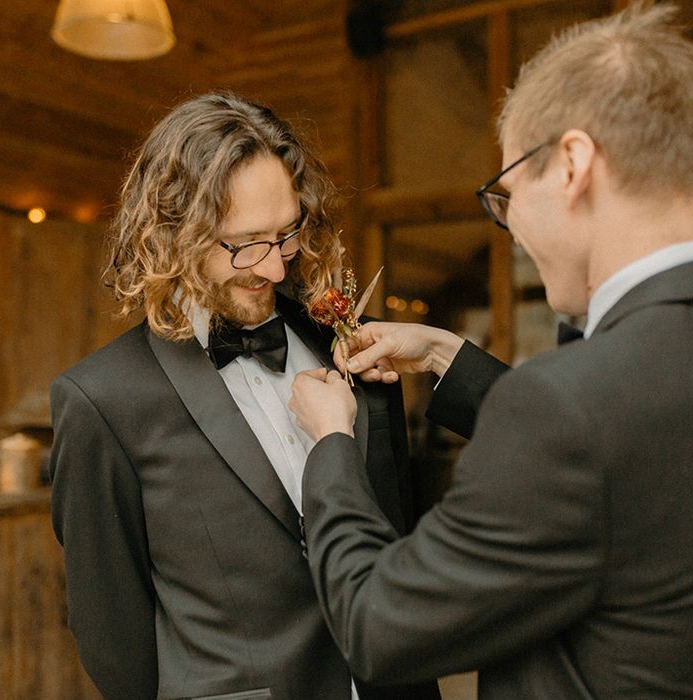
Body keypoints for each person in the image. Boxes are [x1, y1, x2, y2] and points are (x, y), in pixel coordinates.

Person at [290, 3, 693, 698]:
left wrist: (329, 441)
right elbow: (627, 454)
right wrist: (448, 352)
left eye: (506, 194)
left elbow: (378, 625)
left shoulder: (565, 409)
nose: (508, 228)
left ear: (572, 165)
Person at [48, 92, 437, 700]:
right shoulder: (101, 400)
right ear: (173, 231)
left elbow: (396, 539)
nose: (278, 269)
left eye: (286, 235)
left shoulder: (351, 346)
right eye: (246, 243)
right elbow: (112, 635)